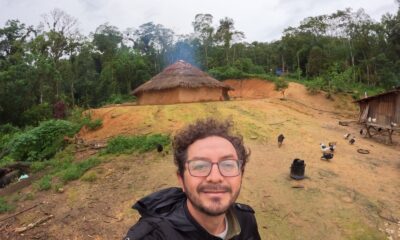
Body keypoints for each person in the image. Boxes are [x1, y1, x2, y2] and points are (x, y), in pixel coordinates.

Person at [123, 118, 261, 240]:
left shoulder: (246, 219)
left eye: (228, 165)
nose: (215, 177)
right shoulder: (153, 236)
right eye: (200, 166)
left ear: (241, 175)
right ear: (181, 180)